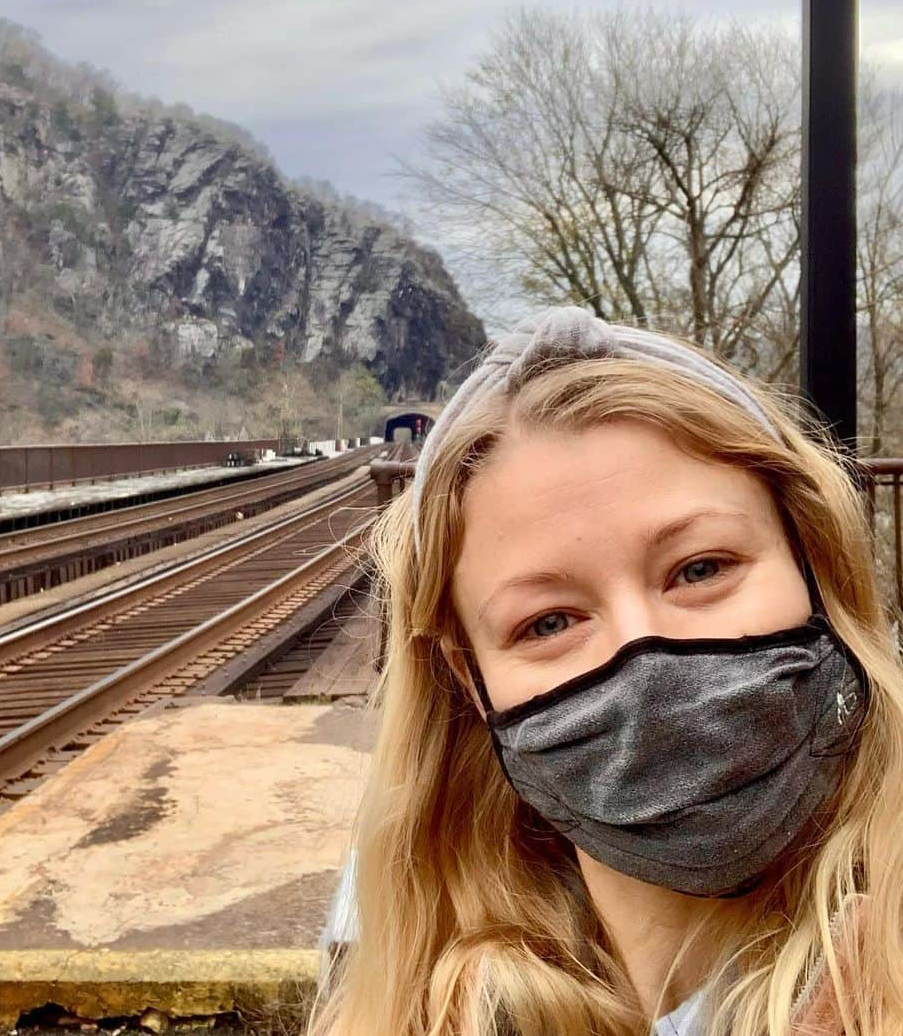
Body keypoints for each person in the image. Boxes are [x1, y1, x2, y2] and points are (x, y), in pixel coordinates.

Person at [306, 306, 903, 1036]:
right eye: (548, 622)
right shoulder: (392, 942)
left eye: (701, 568)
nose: (644, 656)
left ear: (815, 565)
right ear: (472, 680)